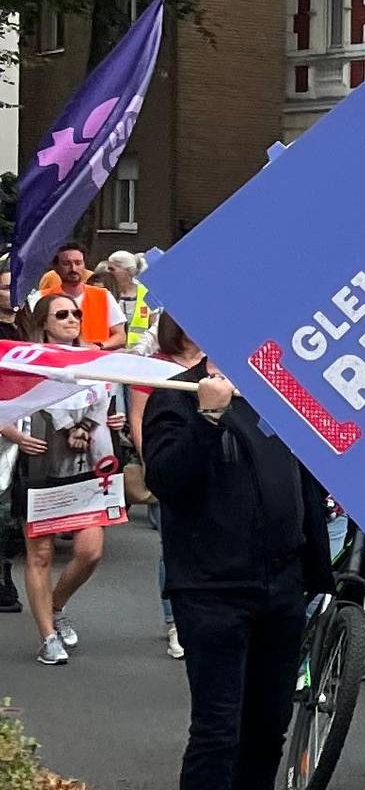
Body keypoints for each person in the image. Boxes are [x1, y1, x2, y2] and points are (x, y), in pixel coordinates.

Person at [143, 354, 332, 790]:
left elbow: (303, 476)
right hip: (211, 589)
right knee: (217, 729)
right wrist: (206, 419)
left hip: (281, 582)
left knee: (269, 720)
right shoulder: (175, 395)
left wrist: (315, 570)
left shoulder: (278, 389)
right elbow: (166, 481)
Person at [14, 292, 114, 662]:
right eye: (62, 314)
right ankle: (46, 637)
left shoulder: (92, 356)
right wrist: (13, 434)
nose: (72, 319)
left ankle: (54, 606)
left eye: (75, 313)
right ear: (43, 323)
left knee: (90, 551)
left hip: (85, 462)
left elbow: (105, 394)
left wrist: (85, 425)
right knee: (40, 553)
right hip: (40, 459)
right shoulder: (26, 362)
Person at [131, 313, 207, 659]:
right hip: (171, 462)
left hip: (211, 468)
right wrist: (153, 461)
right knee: (172, 543)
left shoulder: (216, 364)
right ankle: (174, 621)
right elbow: (139, 419)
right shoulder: (154, 368)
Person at [30, 243, 121, 347]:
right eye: (66, 263)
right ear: (56, 267)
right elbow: (33, 332)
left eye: (78, 263)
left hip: (95, 359)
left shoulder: (103, 295)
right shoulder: (40, 297)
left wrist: (99, 347)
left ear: (84, 265)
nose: (73, 269)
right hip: (53, 357)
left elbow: (120, 335)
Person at [99, 251, 154, 351]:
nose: (107, 272)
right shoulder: (104, 292)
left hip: (139, 354)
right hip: (108, 351)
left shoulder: (147, 294)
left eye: (112, 269)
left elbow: (155, 327)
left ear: (128, 271)